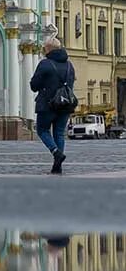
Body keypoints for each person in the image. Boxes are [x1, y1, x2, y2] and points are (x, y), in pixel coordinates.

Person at [30, 36, 77, 175]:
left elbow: (34, 85)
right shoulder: (70, 65)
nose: (44, 50)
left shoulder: (45, 64)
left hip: (47, 105)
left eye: (45, 47)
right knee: (59, 133)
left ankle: (56, 152)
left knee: (42, 130)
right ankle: (58, 167)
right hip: (66, 105)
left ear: (49, 49)